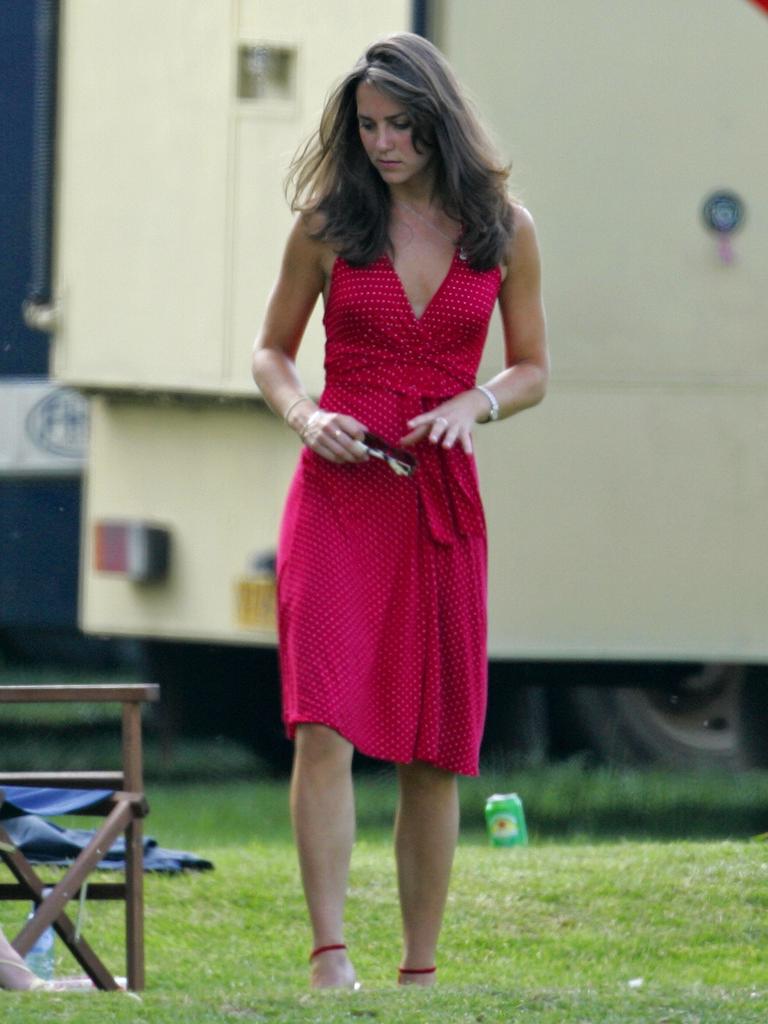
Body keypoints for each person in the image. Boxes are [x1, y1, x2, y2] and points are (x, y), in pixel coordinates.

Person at [252, 31, 548, 990]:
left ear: (439, 122)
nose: (382, 145)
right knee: (323, 722)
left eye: (401, 126)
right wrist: (306, 413)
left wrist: (480, 399)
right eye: (368, 127)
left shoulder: (503, 228)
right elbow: (271, 352)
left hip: (441, 499)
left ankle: (420, 971)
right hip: (342, 489)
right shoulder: (330, 225)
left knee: (435, 743)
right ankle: (331, 954)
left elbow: (534, 366)